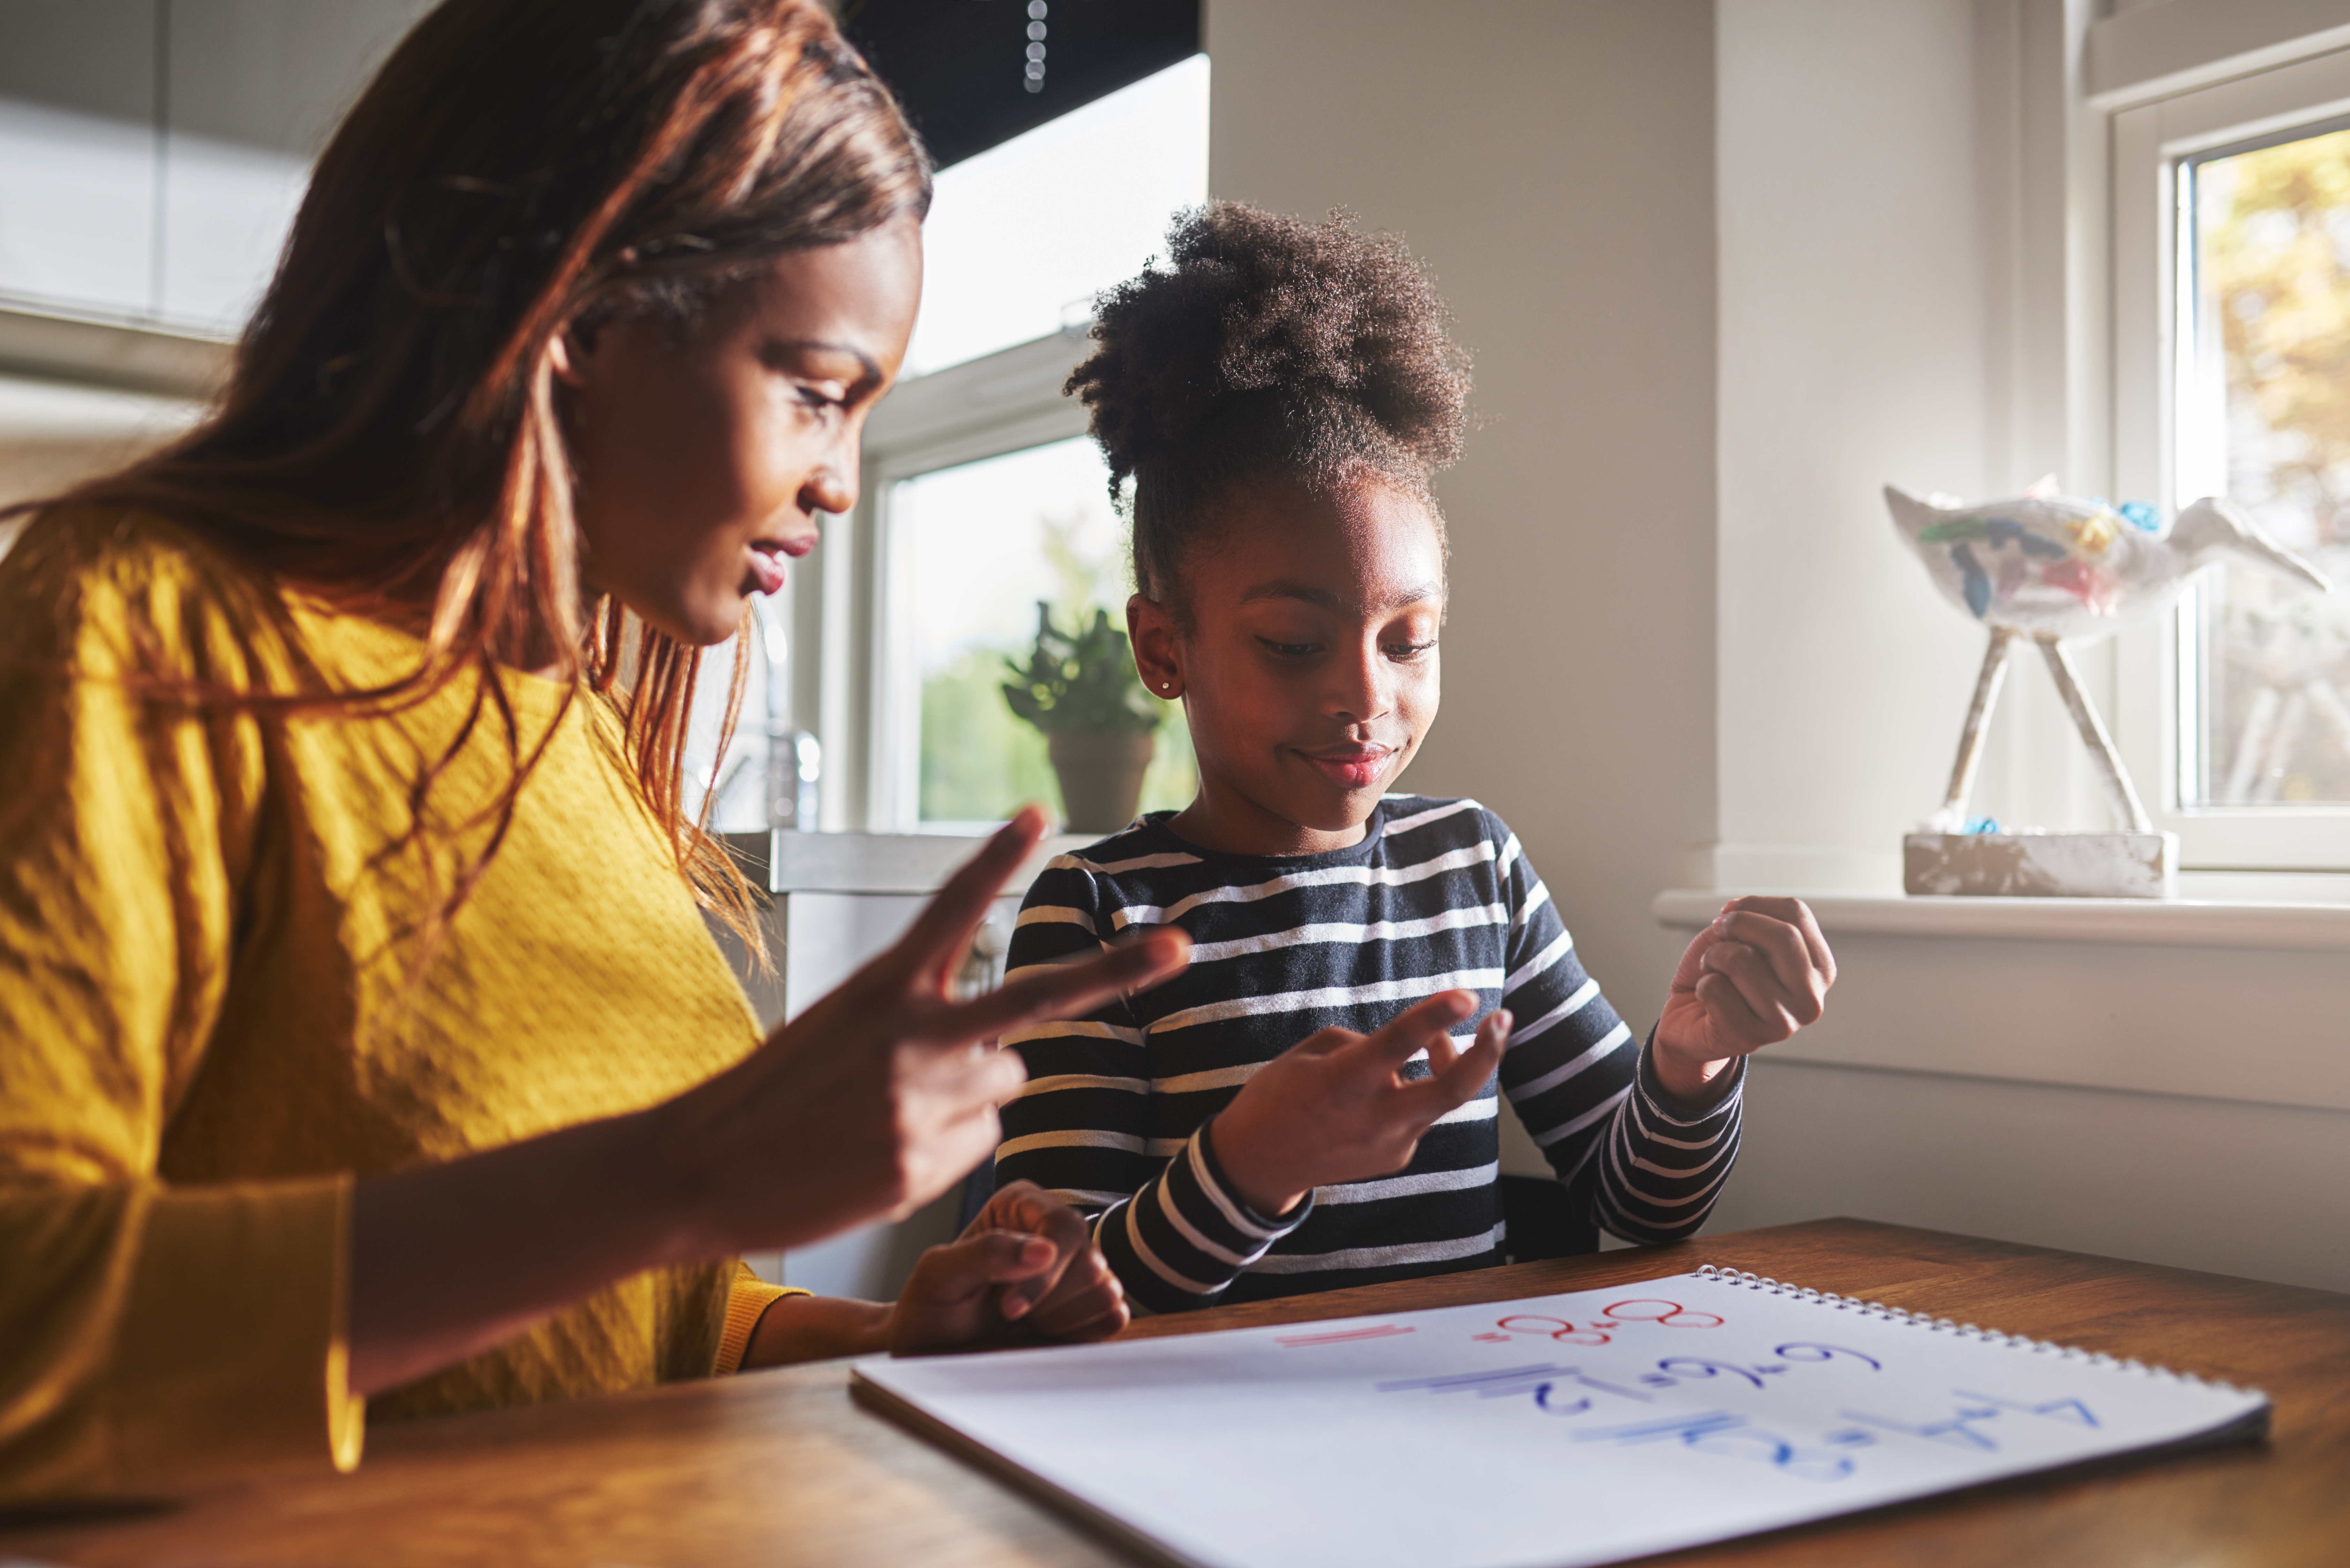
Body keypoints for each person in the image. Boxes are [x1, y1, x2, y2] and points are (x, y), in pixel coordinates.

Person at [0, 0, 1188, 1505]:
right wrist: (689, 1169)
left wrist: (882, 1332)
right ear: (581, 313)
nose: (837, 484)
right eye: (817, 392)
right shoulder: (141, 629)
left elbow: (619, 1316)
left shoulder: (578, 732)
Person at [993, 204, 1837, 1314]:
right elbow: (1056, 1304)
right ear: (1165, 649)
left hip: (1458, 1431)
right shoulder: (1096, 920)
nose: (1364, 696)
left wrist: (1690, 1065)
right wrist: (1250, 1167)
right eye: (1294, 644)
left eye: (1409, 641)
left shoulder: (1472, 867)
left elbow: (1639, 1211)